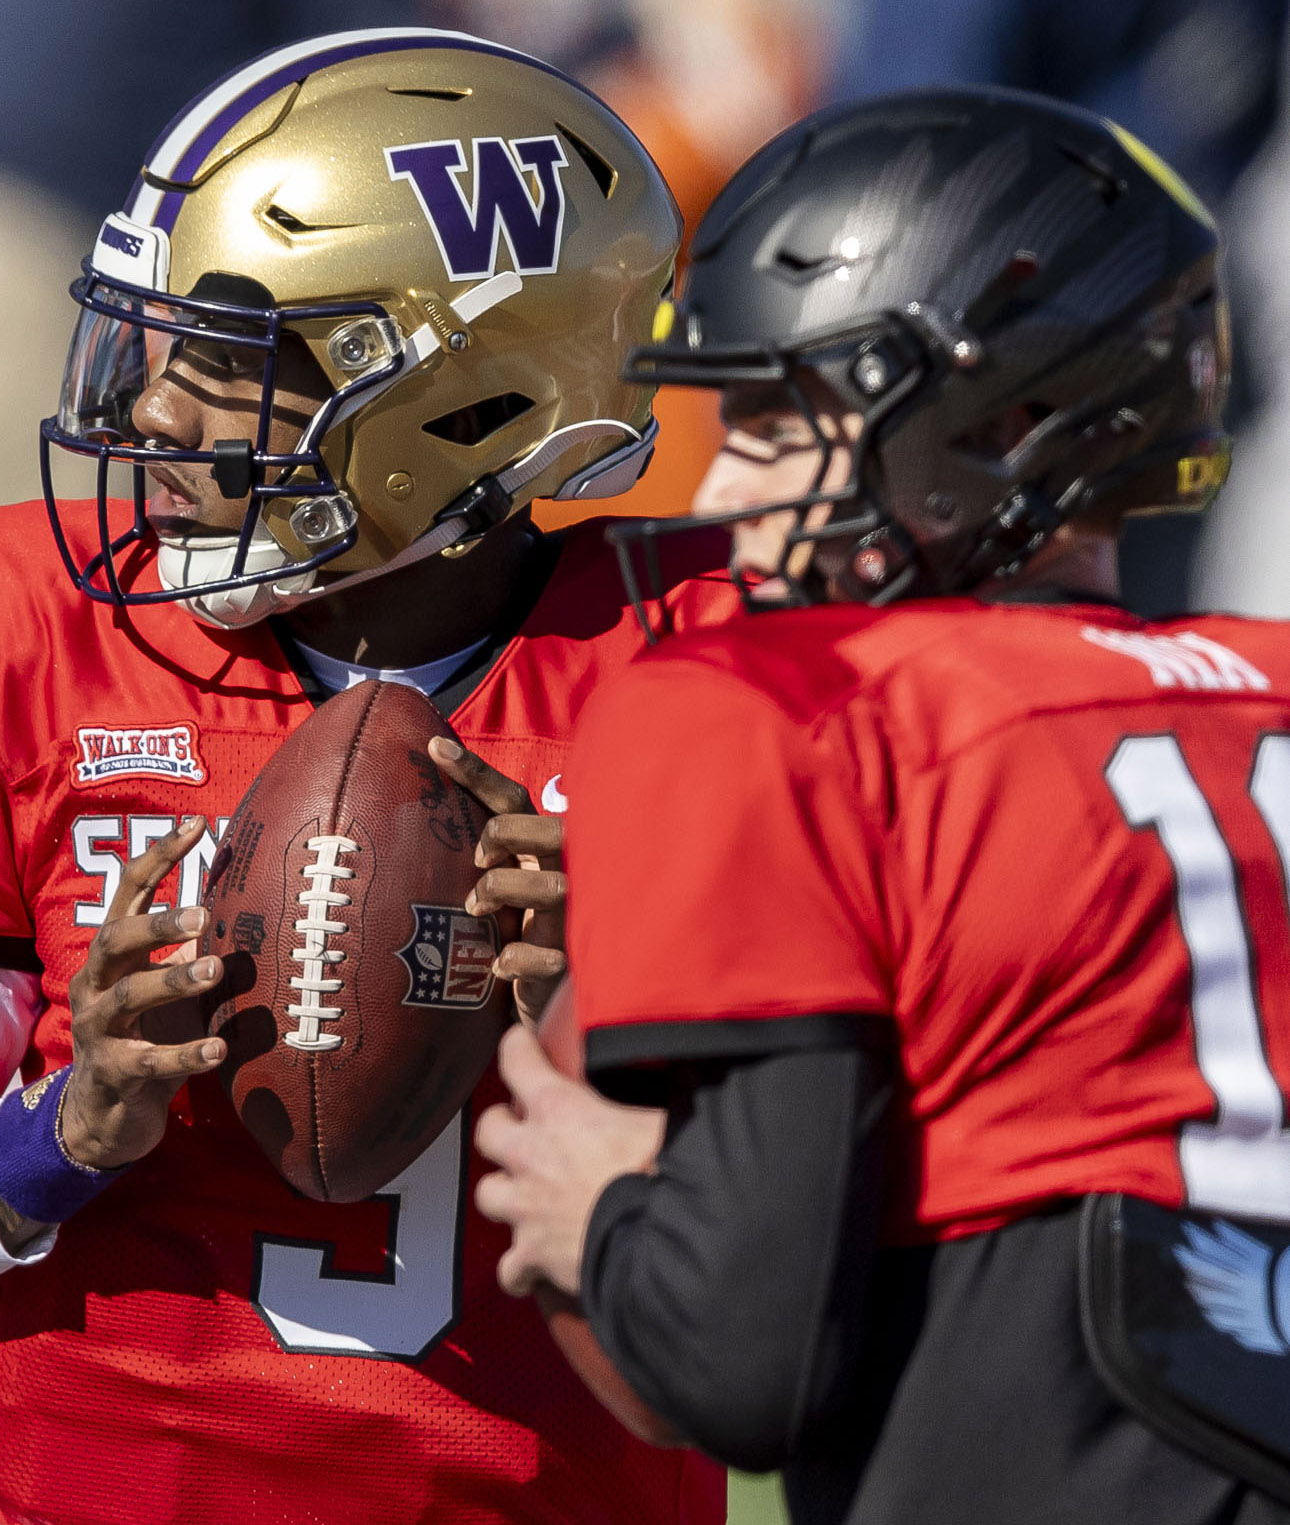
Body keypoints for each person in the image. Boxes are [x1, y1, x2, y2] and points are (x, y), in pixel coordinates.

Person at [0, 28, 744, 1523]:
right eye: (155, 344)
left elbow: (855, 1228)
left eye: (228, 362)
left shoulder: (705, 671)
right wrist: (63, 1129)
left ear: (464, 408)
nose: (151, 414)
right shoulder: (8, 626)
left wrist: (628, 1007)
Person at [473, 87, 1290, 1524]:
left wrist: (600, 1211)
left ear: (1009, 419)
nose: (726, 480)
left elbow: (734, 1364)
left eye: (783, 419)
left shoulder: (775, 705)